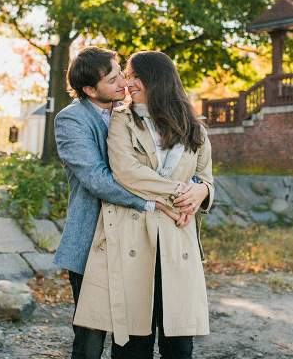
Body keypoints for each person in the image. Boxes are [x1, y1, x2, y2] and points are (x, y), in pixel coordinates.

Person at [73, 50, 214, 359]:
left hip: (178, 241)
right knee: (133, 343)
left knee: (179, 346)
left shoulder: (196, 128)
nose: (128, 82)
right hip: (134, 237)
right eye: (127, 74)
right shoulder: (121, 120)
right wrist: (181, 191)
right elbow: (126, 172)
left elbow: (207, 180)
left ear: (157, 80)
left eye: (136, 76)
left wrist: (202, 192)